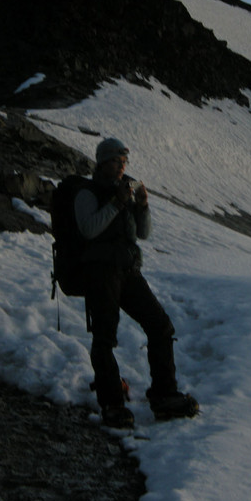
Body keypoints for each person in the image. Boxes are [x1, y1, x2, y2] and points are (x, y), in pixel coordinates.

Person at [75, 137, 198, 428]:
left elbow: (142, 234)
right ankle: (112, 404)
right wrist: (118, 203)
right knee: (105, 337)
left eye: (124, 162)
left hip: (128, 271)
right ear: (103, 162)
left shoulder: (125, 191)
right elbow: (89, 230)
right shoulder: (87, 193)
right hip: (101, 272)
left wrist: (141, 207)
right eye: (117, 161)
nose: (122, 167)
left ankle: (164, 395)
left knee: (161, 326)